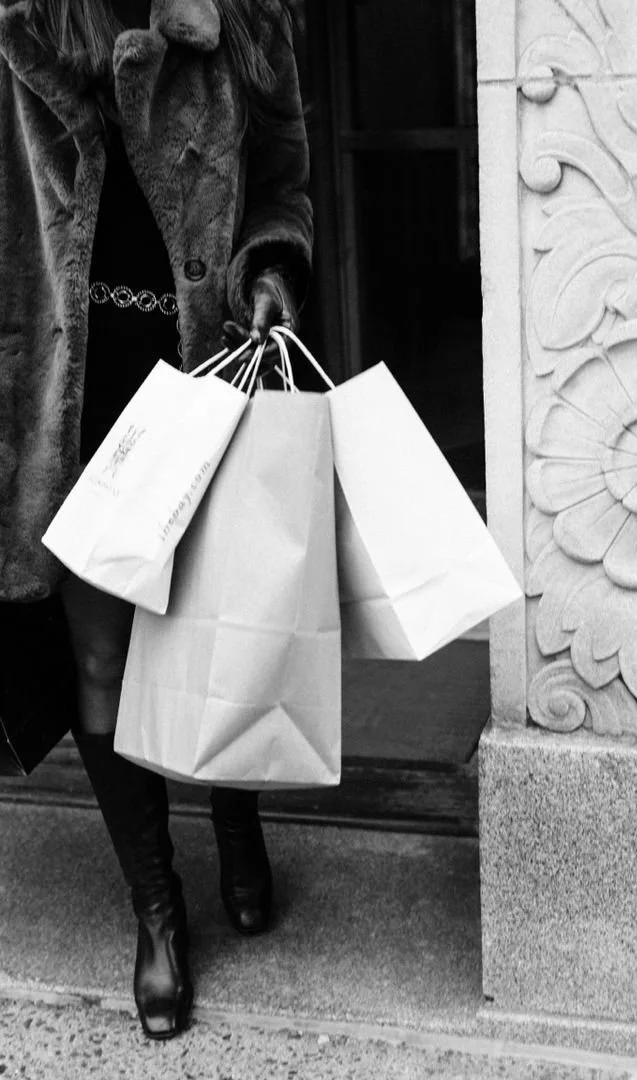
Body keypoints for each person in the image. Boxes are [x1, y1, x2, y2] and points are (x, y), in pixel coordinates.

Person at [0, 0, 312, 1040]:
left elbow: (279, 178)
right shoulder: (25, 24)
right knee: (100, 658)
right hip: (69, 387)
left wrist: (271, 266)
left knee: (222, 624)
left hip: (204, 363)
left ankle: (235, 813)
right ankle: (156, 911)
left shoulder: (243, 17)